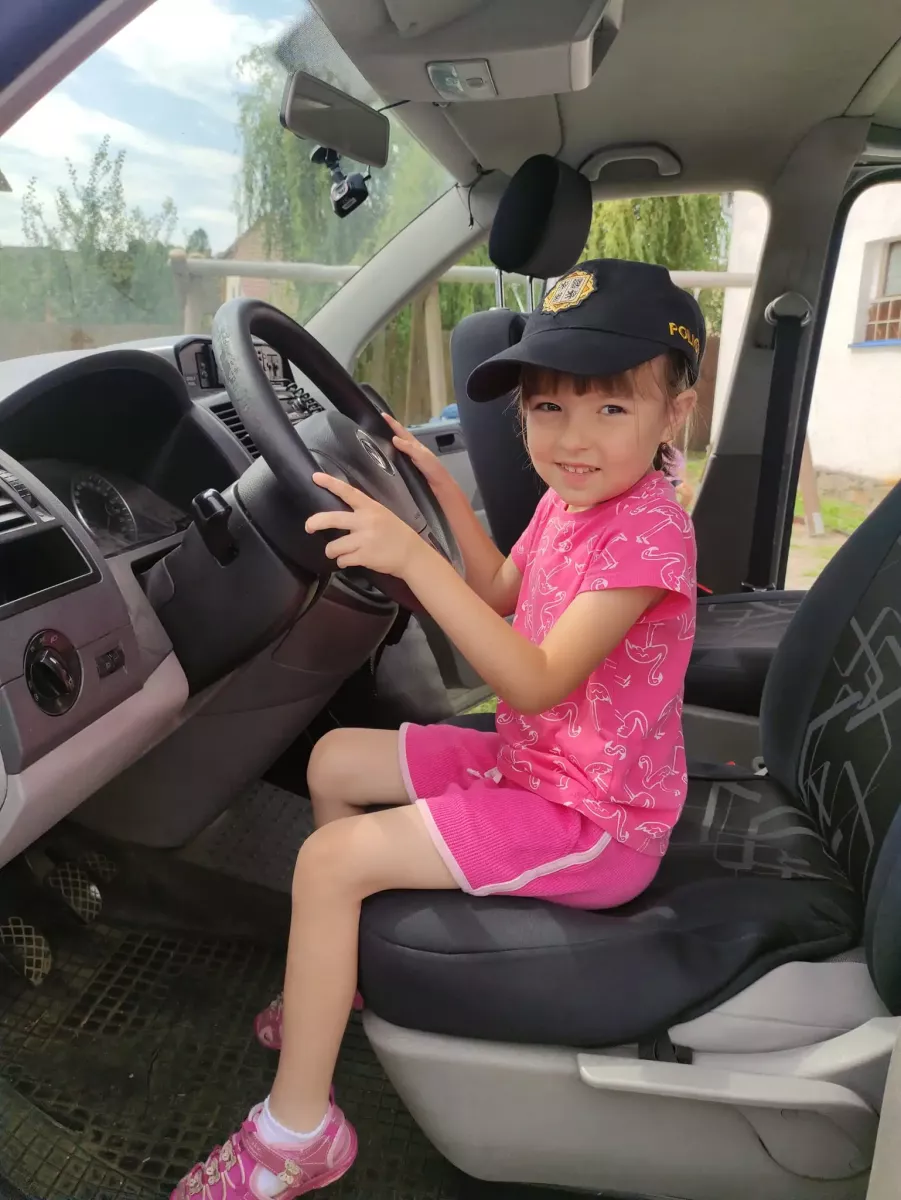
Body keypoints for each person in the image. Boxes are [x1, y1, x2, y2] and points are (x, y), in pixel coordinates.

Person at [171, 259, 702, 1200]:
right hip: (537, 763)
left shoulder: (648, 535)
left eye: (611, 408)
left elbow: (532, 676)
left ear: (674, 415)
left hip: (593, 819)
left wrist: (412, 558)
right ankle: (337, 975)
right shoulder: (574, 502)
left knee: (327, 862)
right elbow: (498, 588)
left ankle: (296, 1138)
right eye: (547, 408)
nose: (572, 437)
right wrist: (430, 486)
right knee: (335, 758)